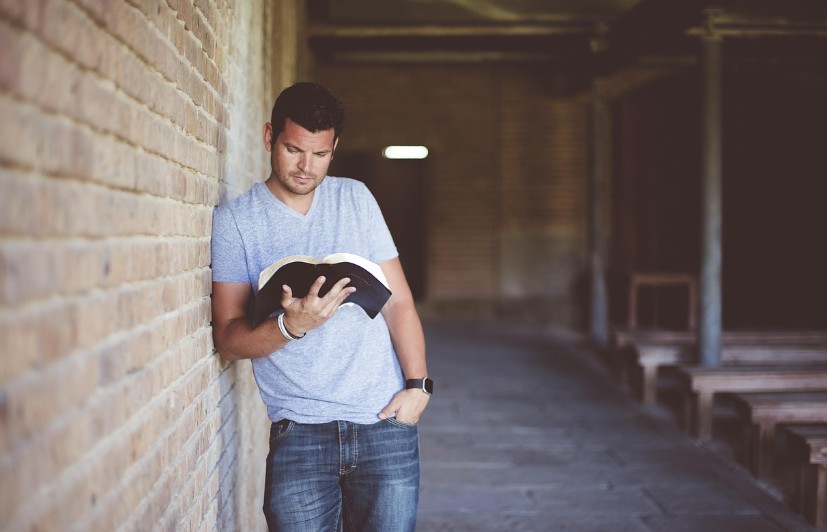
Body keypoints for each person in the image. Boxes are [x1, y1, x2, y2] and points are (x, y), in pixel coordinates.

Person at [210, 81, 431, 532]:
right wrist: (292, 327)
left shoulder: (356, 199)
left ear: (335, 148)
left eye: (320, 154)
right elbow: (228, 339)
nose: (306, 167)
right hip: (300, 434)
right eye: (293, 150)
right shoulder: (236, 222)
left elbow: (399, 301)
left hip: (384, 421)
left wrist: (419, 387)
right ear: (270, 136)